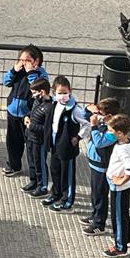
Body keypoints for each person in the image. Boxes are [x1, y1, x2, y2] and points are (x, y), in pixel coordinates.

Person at [1, 45, 49, 178]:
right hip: (13, 111)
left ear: (36, 61)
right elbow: (6, 82)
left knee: (31, 145)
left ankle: (36, 172)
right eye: (21, 60)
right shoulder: (18, 71)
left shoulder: (40, 74)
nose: (23, 63)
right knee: (12, 142)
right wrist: (14, 70)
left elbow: (38, 88)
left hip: (29, 114)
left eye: (27, 60)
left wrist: (30, 73)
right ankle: (14, 165)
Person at [79, 97, 122, 236]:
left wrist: (94, 126)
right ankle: (94, 214)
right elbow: (83, 114)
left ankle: (99, 224)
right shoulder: (102, 122)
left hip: (102, 167)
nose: (96, 115)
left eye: (100, 113)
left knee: (100, 195)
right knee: (94, 193)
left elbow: (99, 143)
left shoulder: (113, 131)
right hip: (94, 164)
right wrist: (89, 108)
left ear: (109, 116)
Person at [43, 76, 85, 211]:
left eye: (65, 92)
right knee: (55, 170)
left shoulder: (74, 109)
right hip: (55, 144)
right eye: (59, 93)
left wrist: (78, 137)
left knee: (66, 175)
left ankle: (67, 200)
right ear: (54, 92)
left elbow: (87, 124)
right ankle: (56, 193)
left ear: (70, 91)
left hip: (67, 147)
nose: (62, 96)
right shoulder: (54, 104)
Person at [104, 114, 130, 258]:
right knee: (123, 214)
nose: (108, 133)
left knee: (118, 216)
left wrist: (120, 181)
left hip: (119, 188)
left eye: (111, 131)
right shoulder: (125, 143)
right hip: (120, 187)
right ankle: (125, 240)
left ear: (119, 133)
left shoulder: (123, 150)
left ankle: (120, 247)